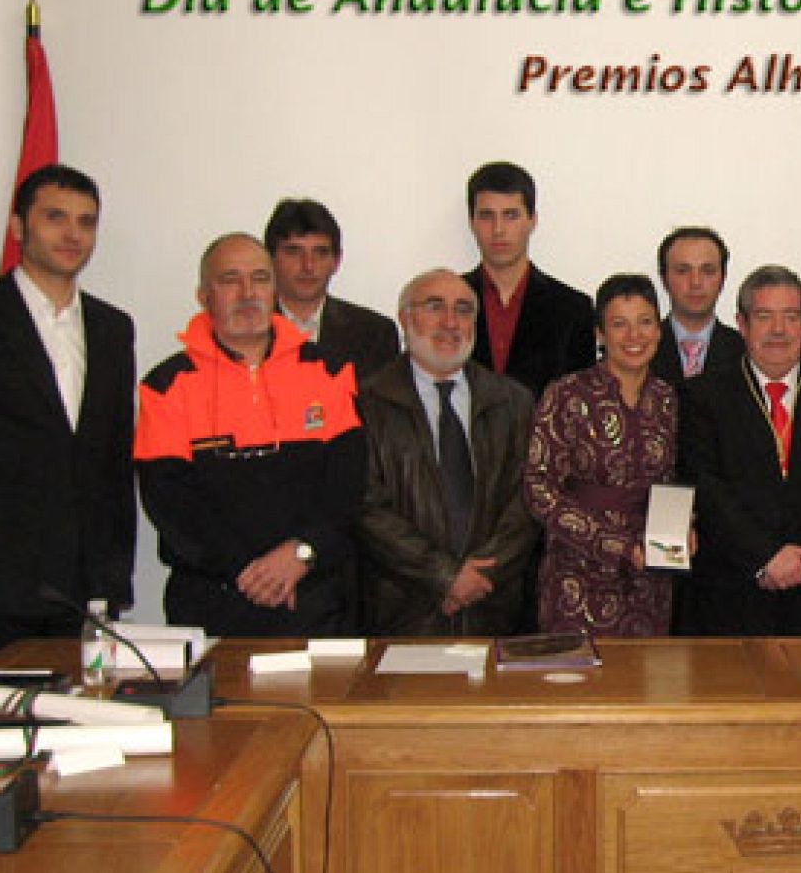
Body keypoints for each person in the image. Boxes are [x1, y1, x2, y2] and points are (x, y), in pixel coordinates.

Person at [135, 233, 364, 636]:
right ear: (204, 295)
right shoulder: (167, 384)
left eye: (260, 278)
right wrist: (253, 574)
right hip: (213, 600)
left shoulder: (329, 372)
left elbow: (348, 488)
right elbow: (170, 504)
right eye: (230, 280)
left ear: (275, 289)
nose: (247, 293)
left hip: (315, 595)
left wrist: (300, 555)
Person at [677, 265, 801, 635]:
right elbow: (707, 487)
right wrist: (765, 556)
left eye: (790, 317)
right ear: (741, 323)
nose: (779, 330)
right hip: (733, 594)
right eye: (765, 317)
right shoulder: (704, 396)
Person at [357, 269, 538, 636]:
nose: (451, 322)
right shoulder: (366, 402)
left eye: (464, 310)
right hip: (404, 610)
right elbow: (366, 506)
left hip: (494, 608)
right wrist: (444, 576)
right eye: (434, 307)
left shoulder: (513, 401)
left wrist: (479, 577)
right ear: (405, 318)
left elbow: (529, 497)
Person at [0, 164, 134, 645]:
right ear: (18, 228)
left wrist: (113, 581)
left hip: (82, 590)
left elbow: (115, 462)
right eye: (55, 217)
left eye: (86, 221)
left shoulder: (113, 329)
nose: (72, 234)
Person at [525, 274, 678, 635]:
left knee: (647, 685)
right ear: (600, 334)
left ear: (659, 330)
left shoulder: (668, 399)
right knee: (579, 686)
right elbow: (538, 489)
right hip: (577, 577)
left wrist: (683, 529)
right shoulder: (566, 394)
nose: (634, 336)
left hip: (650, 579)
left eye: (645, 322)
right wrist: (614, 545)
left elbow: (675, 481)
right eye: (619, 324)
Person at [461, 161, 596, 399]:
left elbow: (579, 406)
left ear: (532, 220)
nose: (498, 229)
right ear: (472, 223)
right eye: (486, 216)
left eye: (511, 215)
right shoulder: (448, 304)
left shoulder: (573, 309)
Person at [265, 198, 399, 387]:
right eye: (294, 252)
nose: (308, 266)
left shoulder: (375, 334)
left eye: (320, 253)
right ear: (270, 259)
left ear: (337, 261)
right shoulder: (247, 329)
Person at [650, 225, 744, 384]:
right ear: (664, 278)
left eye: (708, 271)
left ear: (723, 278)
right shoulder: (640, 348)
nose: (695, 283)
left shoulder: (746, 352)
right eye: (682, 271)